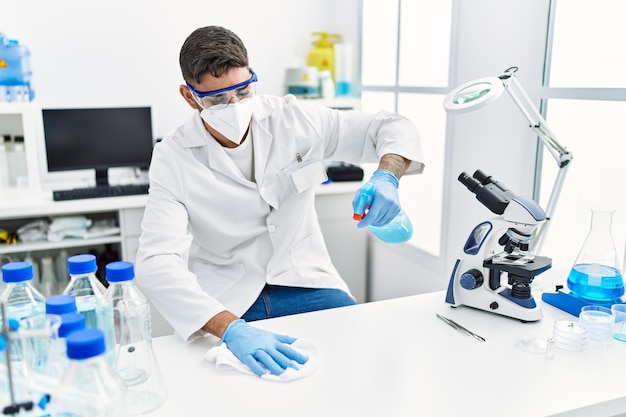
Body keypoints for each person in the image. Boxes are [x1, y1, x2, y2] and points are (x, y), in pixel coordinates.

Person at [134, 25, 424, 377]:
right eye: (217, 99)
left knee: (351, 364)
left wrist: (387, 176)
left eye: (243, 91)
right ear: (189, 95)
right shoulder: (173, 157)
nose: (235, 106)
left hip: (307, 281)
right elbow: (155, 263)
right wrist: (232, 329)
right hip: (230, 301)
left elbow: (391, 126)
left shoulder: (293, 119)